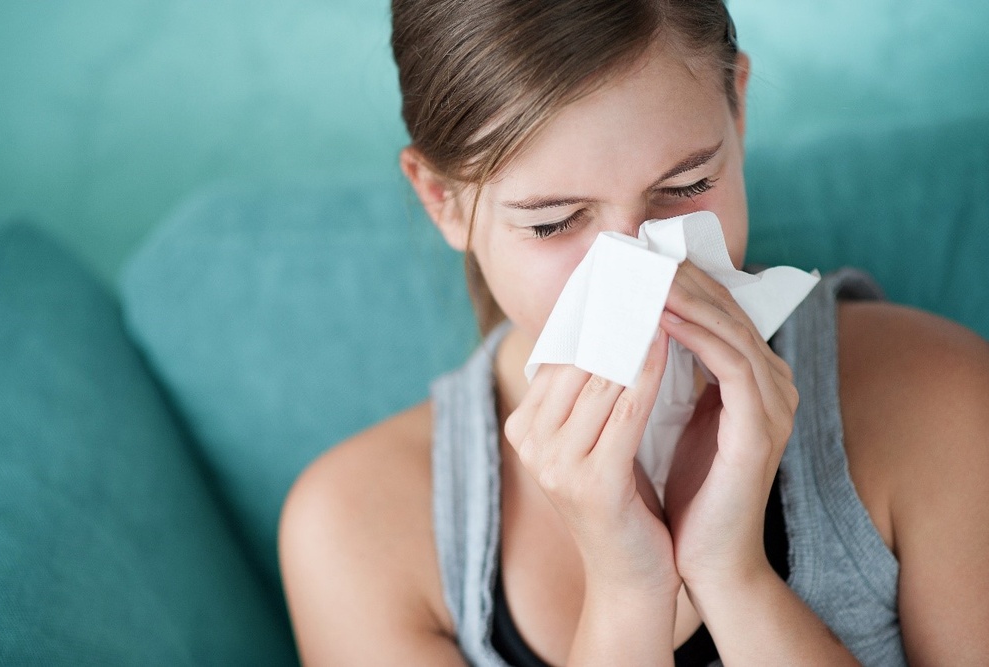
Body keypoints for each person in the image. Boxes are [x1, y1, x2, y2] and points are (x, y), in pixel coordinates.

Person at [278, 1, 989, 664]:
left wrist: (732, 575)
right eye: (554, 221)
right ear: (443, 199)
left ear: (737, 111)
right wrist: (628, 594)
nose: (643, 272)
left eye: (684, 188)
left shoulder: (939, 401)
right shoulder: (354, 529)